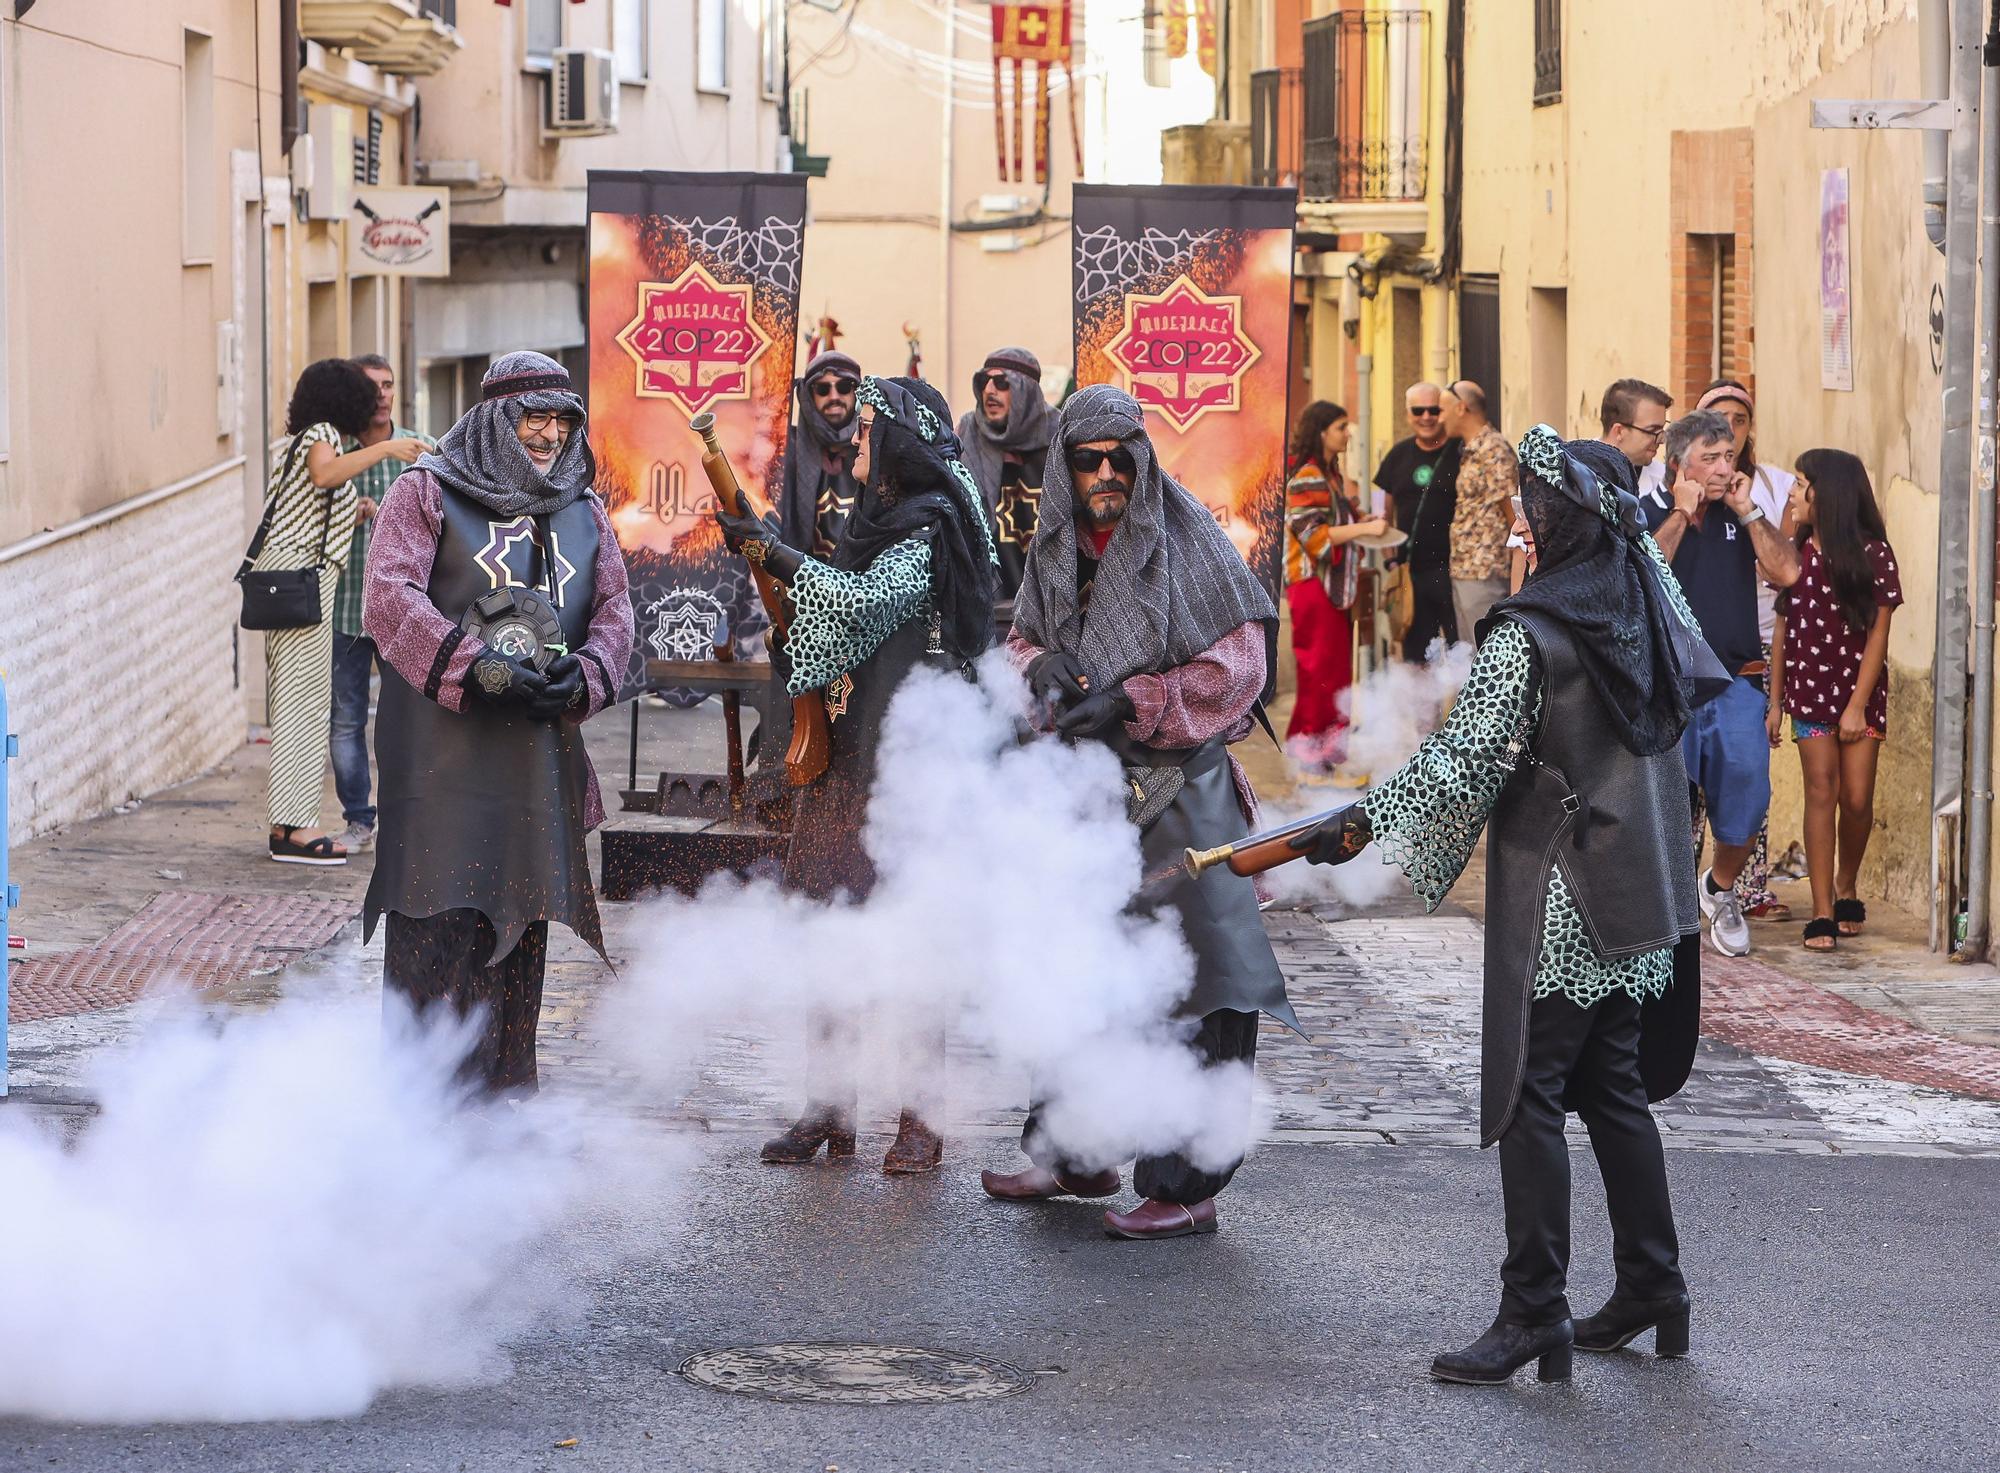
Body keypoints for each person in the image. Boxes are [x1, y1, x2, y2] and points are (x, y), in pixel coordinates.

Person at [1294, 426, 1704, 1385]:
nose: (1523, 515)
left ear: (1563, 518)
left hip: (1566, 895)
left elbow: (1465, 759)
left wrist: (1362, 820)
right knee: (1613, 1091)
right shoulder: (1646, 597)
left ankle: (1534, 1310)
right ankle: (1654, 1283)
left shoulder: (1532, 631)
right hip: (1641, 886)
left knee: (1532, 1097)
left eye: (1534, 502)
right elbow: (1648, 560)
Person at [980, 384, 1297, 1241]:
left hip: (1182, 790)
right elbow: (1022, 637)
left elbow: (1240, 667)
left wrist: (1135, 698)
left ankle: (1186, 1183)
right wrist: (1038, 662)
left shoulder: (1185, 535)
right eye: (1090, 459)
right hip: (1085, 792)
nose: (1109, 472)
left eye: (1125, 455)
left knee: (1199, 988)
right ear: (1065, 466)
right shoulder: (1053, 546)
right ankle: (1071, 1149)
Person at [715, 375, 998, 1174]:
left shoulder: (934, 524)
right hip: (848, 758)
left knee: (911, 947)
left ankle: (919, 1119)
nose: (858, 443)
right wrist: (782, 611)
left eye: (872, 431)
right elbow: (830, 627)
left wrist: (774, 549)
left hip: (911, 770)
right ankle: (829, 1106)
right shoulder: (875, 519)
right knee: (828, 935)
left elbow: (866, 600)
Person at [362, 352, 634, 1095]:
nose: (548, 433)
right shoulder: (425, 492)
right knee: (436, 930)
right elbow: (386, 600)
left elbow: (615, 611)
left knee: (518, 934)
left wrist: (588, 674)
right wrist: (473, 665)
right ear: (494, 419)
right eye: (532, 416)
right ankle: (419, 1118)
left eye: (560, 418)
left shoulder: (583, 508)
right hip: (440, 774)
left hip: (533, 771)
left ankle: (505, 1113)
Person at [254, 359, 424, 865]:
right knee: (305, 710)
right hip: (303, 585)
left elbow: (314, 499)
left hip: (295, 584)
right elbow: (325, 474)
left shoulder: (307, 437)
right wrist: (387, 449)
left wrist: (362, 511)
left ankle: (288, 827)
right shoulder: (324, 436)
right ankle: (297, 833)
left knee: (298, 707)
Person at [1643, 408, 1799, 957]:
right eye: (1709, 458)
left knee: (1749, 798)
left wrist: (1750, 509)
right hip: (1666, 685)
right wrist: (1683, 513)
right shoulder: (1646, 511)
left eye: (1728, 456)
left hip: (1735, 681)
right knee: (1659, 809)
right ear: (1678, 463)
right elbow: (1645, 569)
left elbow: (1787, 573)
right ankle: (1660, 917)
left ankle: (1721, 889)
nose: (1722, 467)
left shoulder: (1743, 512)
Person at [1767, 450, 1902, 952]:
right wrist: (1775, 701)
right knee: (1821, 791)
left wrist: (1857, 706)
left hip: (1859, 697)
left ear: (1833, 494)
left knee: (1858, 798)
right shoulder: (1793, 555)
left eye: (1803, 484)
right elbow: (1782, 632)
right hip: (1807, 695)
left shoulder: (1874, 555)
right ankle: (1822, 908)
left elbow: (1879, 635)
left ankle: (1847, 883)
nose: (1795, 494)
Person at [328, 355, 434, 856]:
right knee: (346, 720)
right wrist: (349, 517)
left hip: (403, 616)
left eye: (389, 385)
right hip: (347, 610)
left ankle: (406, 818)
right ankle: (358, 821)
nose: (383, 395)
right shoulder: (336, 454)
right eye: (373, 387)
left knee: (404, 719)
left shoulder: (417, 450)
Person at [1282, 400, 1387, 772]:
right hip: (1313, 584)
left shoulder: (1329, 474)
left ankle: (1322, 746)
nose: (1347, 434)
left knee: (1333, 668)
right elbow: (1315, 537)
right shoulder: (1309, 476)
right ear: (1323, 431)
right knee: (1319, 668)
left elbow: (1338, 521)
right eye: (1342, 427)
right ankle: (1312, 747)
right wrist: (1364, 529)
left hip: (1328, 584)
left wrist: (1362, 519)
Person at [955, 346, 1054, 599]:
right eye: (983, 381)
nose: (989, 390)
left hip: (1048, 606)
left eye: (1001, 382)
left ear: (1026, 391)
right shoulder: (967, 435)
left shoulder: (1059, 436)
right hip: (989, 605)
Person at [1375, 382, 1460, 662]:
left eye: (1434, 409)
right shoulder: (1396, 457)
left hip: (1455, 571)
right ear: (1408, 413)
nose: (1426, 417)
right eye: (1418, 410)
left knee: (1460, 651)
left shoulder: (1461, 452)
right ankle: (1423, 708)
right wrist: (1391, 563)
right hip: (1410, 574)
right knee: (1416, 658)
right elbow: (1382, 516)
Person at [1442, 380, 1517, 638]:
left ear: (1461, 408)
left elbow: (1513, 513)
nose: (1440, 418)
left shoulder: (1492, 449)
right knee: (1468, 656)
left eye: (1442, 410)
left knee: (1483, 653)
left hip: (1486, 570)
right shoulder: (1472, 450)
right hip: (1467, 568)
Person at [779, 349, 864, 556]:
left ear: (857, 393)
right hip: (801, 579)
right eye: (823, 389)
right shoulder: (784, 449)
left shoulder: (875, 446)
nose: (834, 397)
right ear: (810, 395)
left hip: (863, 581)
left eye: (844, 387)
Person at [1599, 378, 1674, 471]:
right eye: (1652, 431)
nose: (1662, 440)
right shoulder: (1577, 475)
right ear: (1619, 431)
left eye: (1661, 430)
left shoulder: (1664, 479)